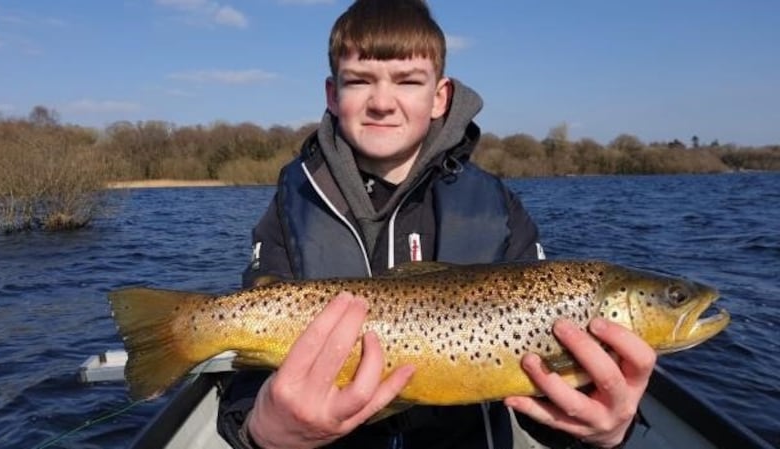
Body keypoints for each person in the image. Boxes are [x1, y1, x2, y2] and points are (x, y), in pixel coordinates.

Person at [217, 0, 656, 448]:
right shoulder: (291, 203)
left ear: (440, 96)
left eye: (408, 81)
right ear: (332, 94)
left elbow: (546, 401)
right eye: (359, 81)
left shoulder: (498, 206)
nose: (382, 102)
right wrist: (260, 430)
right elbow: (247, 377)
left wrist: (605, 428)